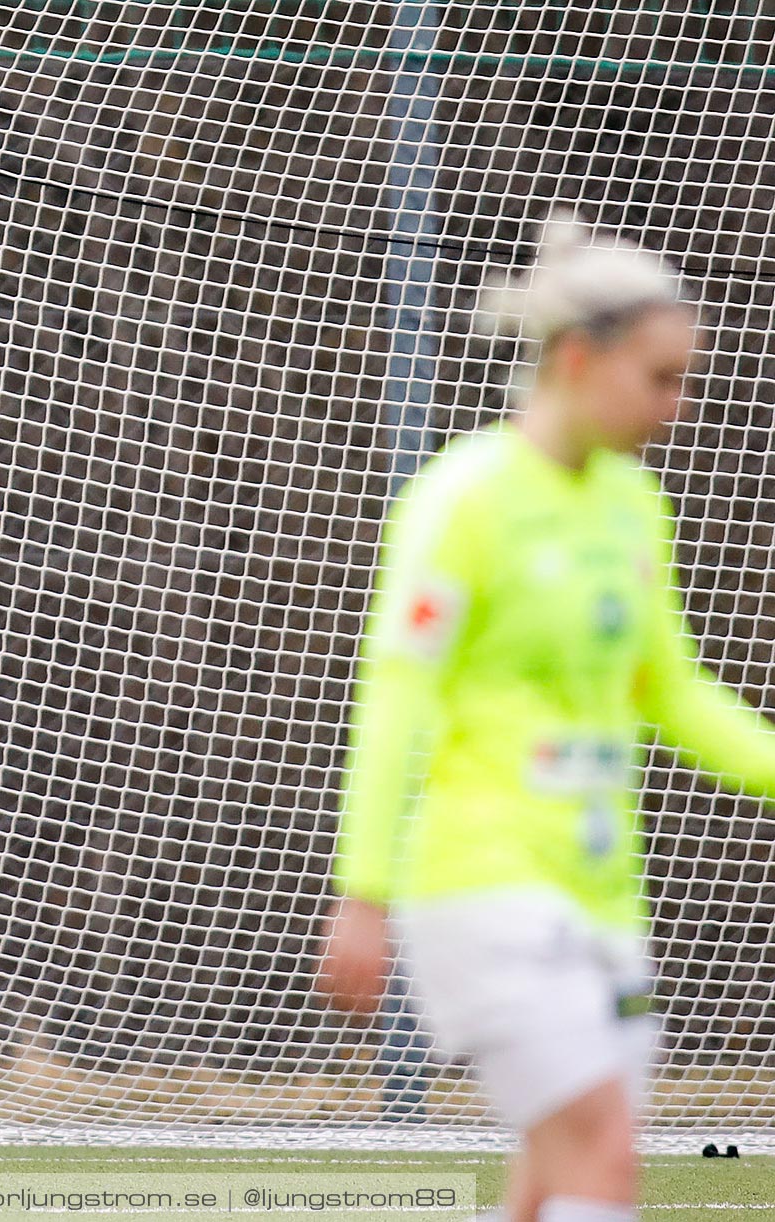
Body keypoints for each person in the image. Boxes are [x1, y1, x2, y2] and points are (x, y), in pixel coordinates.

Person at [317, 213, 775, 1222]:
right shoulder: (464, 500)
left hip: (602, 895)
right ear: (576, 358)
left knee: (548, 1183)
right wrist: (363, 891)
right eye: (661, 378)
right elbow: (398, 694)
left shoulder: (633, 503)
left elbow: (676, 691)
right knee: (602, 1161)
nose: (680, 404)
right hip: (483, 888)